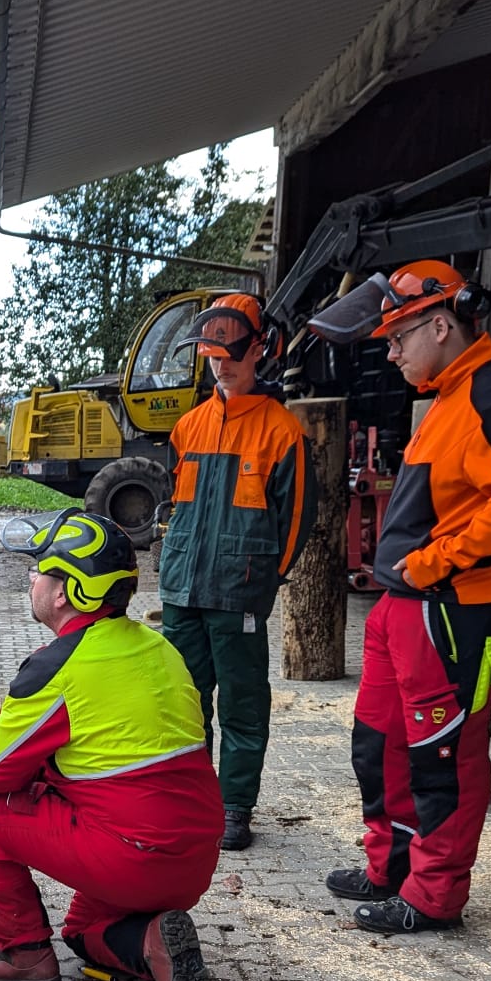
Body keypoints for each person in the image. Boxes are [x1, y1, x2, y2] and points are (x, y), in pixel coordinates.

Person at [334, 260, 491, 934]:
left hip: (456, 603)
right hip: (406, 602)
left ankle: (433, 896)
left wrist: (434, 565)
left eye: (399, 338)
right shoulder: (447, 398)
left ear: (440, 323)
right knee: (378, 743)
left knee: (444, 755)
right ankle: (391, 864)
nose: (392, 352)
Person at [0, 511, 223, 981]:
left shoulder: (59, 664)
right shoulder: (158, 646)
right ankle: (151, 943)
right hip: (193, 859)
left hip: (128, 856)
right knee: (82, 931)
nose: (30, 578)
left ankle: (24, 956)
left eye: (39, 570)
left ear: (66, 592)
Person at [158, 293, 313, 853]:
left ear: (257, 353)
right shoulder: (189, 427)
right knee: (183, 699)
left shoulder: (281, 430)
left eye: (231, 355)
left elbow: (295, 520)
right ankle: (192, 798)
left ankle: (235, 806)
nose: (221, 365)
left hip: (238, 591)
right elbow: (178, 508)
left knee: (242, 703)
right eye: (212, 356)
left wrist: (263, 577)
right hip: (183, 588)